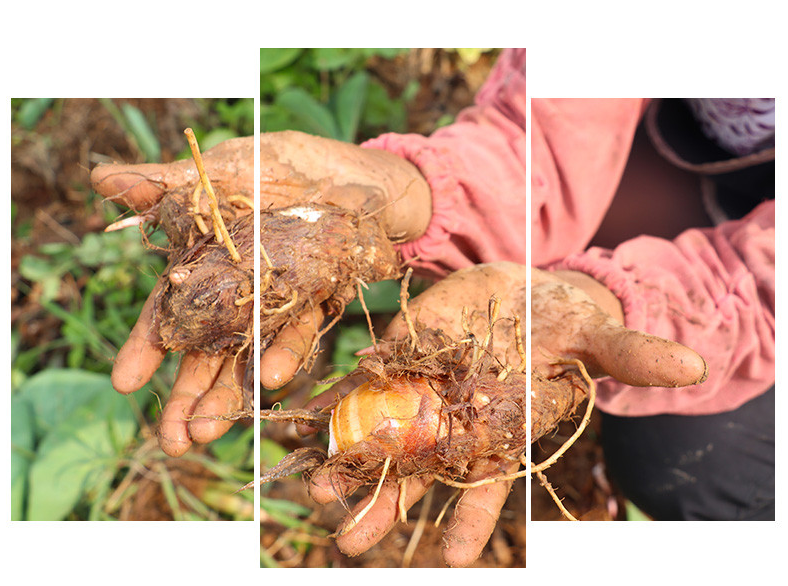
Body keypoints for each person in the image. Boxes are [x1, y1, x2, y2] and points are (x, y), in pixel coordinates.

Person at [91, 49, 774, 565]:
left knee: (695, 462)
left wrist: (622, 300)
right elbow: (546, 124)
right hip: (669, 142)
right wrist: (413, 189)